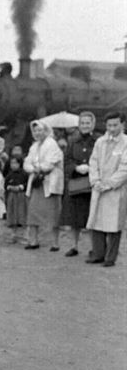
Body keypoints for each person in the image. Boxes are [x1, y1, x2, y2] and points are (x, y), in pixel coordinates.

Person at [85, 111, 127, 267]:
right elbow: (93, 162)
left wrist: (109, 184)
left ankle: (111, 257)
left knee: (114, 223)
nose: (112, 128)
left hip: (116, 189)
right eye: (109, 125)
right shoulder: (100, 142)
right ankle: (97, 254)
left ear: (122, 124)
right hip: (98, 187)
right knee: (97, 220)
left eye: (115, 125)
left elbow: (125, 168)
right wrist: (95, 181)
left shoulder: (126, 143)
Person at [23, 120, 64, 251]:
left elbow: (51, 163)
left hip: (49, 182)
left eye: (40, 130)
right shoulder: (33, 146)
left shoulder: (52, 144)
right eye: (35, 131)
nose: (37, 133)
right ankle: (33, 241)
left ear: (46, 130)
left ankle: (55, 243)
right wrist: (33, 169)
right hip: (37, 182)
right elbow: (27, 163)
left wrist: (38, 168)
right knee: (33, 211)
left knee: (52, 213)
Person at [62, 111, 97, 257]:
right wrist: (76, 168)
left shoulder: (98, 141)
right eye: (82, 123)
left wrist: (91, 167)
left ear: (92, 124)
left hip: (92, 183)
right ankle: (74, 246)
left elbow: (101, 160)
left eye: (87, 123)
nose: (85, 126)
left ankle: (93, 247)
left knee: (90, 217)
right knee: (74, 217)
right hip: (76, 182)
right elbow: (67, 160)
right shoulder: (72, 141)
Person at [4, 156, 28, 243]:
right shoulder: (9, 174)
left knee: (22, 215)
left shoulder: (24, 174)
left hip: (21, 196)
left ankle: (24, 236)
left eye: (16, 163)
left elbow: (27, 184)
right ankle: (13, 235)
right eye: (12, 163)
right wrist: (9, 187)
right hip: (11, 196)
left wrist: (21, 187)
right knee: (12, 215)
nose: (13, 165)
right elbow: (5, 184)